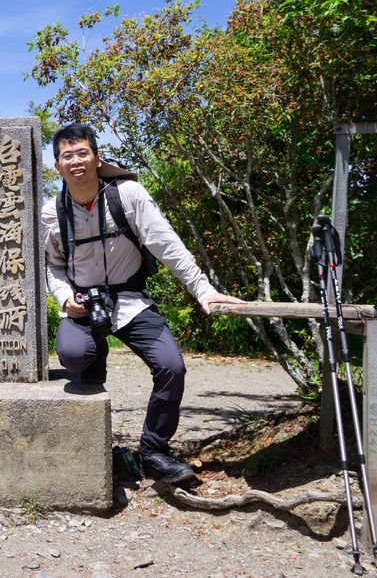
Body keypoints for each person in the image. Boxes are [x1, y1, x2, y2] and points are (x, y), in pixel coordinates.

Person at [42, 124, 243, 483]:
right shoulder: (52, 212)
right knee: (74, 354)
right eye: (67, 156)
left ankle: (153, 450)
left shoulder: (127, 194)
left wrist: (202, 289)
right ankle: (92, 434)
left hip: (130, 300)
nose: (76, 161)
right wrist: (64, 298)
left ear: (96, 157)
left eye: (82, 153)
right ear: (57, 166)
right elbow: (53, 267)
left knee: (171, 367)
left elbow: (167, 244)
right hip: (84, 305)